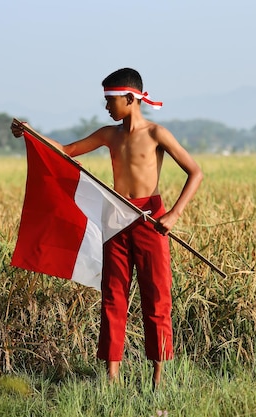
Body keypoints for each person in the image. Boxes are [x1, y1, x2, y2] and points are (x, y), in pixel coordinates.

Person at [11, 67, 203, 388]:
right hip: (115, 217)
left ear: (130, 98)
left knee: (156, 297)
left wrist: (173, 215)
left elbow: (195, 172)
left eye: (110, 100)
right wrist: (33, 133)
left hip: (150, 219)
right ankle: (112, 377)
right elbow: (67, 152)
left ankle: (158, 377)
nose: (106, 107)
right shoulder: (108, 134)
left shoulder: (157, 134)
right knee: (113, 296)